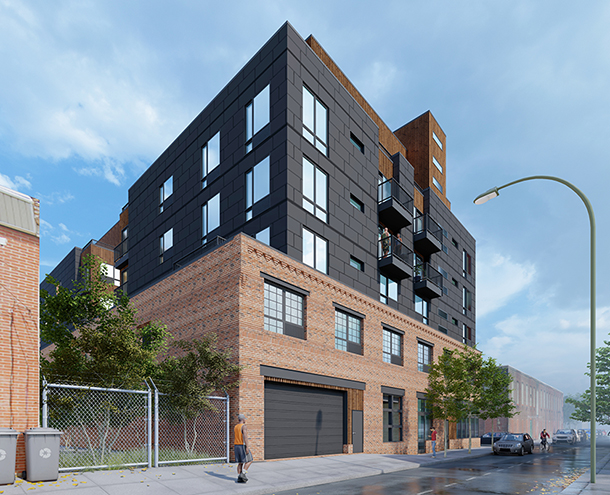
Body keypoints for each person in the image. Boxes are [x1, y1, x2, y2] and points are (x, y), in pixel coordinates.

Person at [234, 414, 253, 483]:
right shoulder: (243, 426)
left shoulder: (235, 426)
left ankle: (239, 477)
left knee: (240, 463)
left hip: (236, 445)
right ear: (243, 419)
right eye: (244, 419)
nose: (245, 420)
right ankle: (243, 473)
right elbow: (245, 437)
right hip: (242, 445)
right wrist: (247, 447)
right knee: (250, 460)